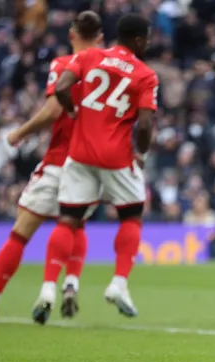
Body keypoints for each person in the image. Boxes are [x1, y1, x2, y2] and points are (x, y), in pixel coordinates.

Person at [0, 11, 103, 325]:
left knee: (20, 233)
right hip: (92, 164)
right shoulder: (109, 73)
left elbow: (54, 110)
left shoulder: (64, 65)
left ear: (71, 33)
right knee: (74, 226)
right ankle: (69, 284)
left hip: (59, 160)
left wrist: (20, 132)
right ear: (101, 38)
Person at [47, 13, 158, 318]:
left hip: (80, 153)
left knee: (68, 220)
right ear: (137, 40)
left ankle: (47, 288)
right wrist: (142, 155)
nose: (147, 43)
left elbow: (61, 87)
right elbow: (146, 125)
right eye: (146, 38)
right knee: (132, 216)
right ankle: (119, 283)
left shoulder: (88, 56)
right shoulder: (145, 74)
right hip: (116, 156)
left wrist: (74, 113)